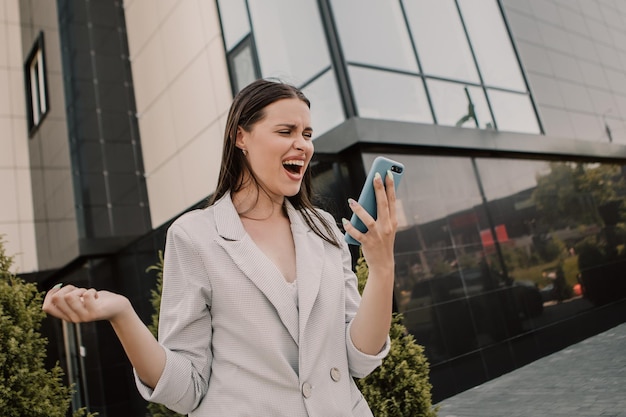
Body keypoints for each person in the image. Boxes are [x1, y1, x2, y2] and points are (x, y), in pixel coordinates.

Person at [42, 78, 398, 416]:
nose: (303, 145)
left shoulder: (324, 229)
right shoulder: (194, 236)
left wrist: (382, 269)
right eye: (286, 131)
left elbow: (359, 358)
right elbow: (187, 387)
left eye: (307, 134)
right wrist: (122, 313)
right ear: (240, 136)